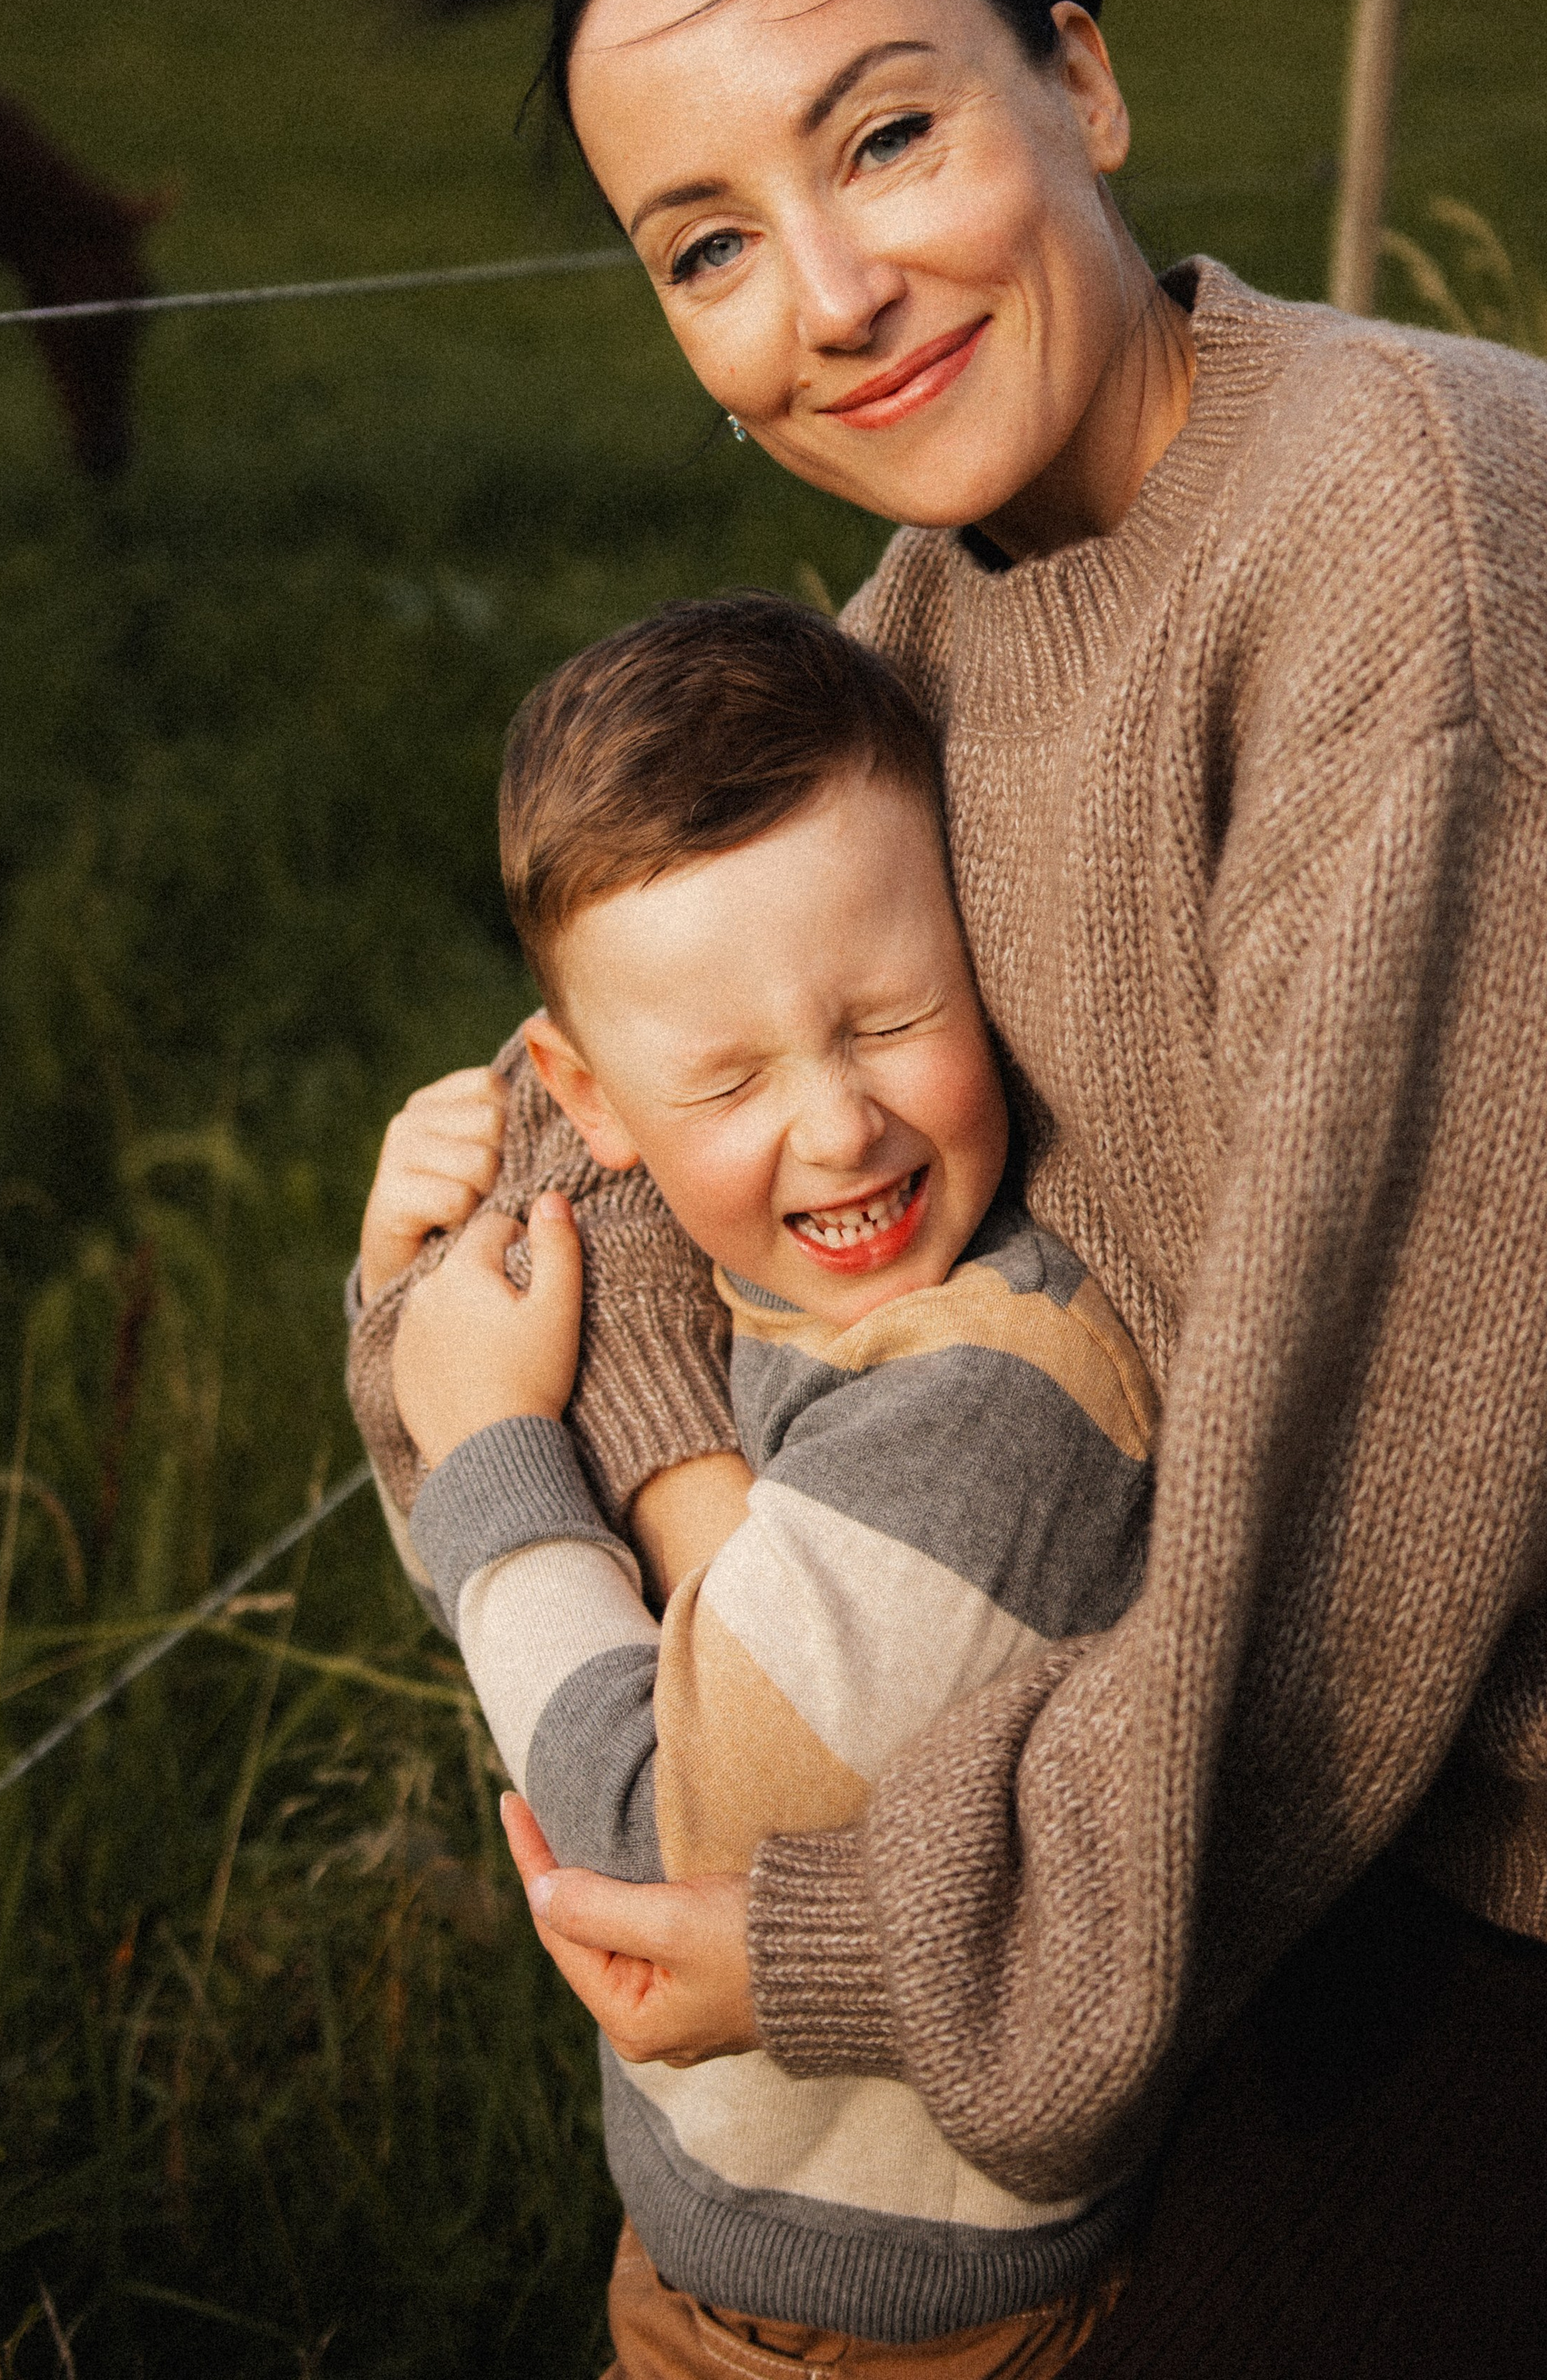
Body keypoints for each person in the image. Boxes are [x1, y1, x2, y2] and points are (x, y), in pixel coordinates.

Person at [349, 0, 1547, 2375]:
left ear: (1081, 87)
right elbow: (607, 1163)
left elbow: (1364, 1524)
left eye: (884, 133)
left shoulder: (1430, 561)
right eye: (705, 245)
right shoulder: (927, 615)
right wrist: (609, 1419)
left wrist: (865, 1934)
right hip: (1247, 1793)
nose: (830, 294)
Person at [376, 592, 1157, 2377]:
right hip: (696, 2239)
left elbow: (657, 1846)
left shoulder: (986, 1401)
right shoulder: (730, 1283)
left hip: (934, 2321)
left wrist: (491, 1432)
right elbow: (487, 1609)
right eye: (722, 1077)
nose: (834, 1126)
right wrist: (411, 1318)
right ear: (591, 1095)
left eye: (890, 1019)